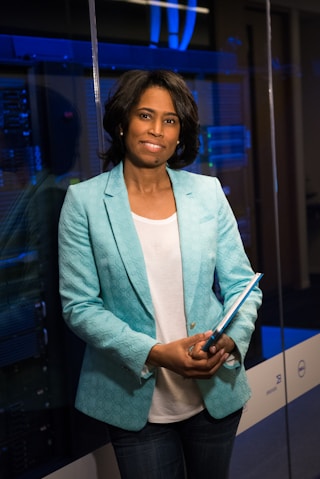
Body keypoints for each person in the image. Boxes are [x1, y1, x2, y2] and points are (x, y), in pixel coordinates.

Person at [58, 69, 263, 479]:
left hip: (214, 391)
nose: (157, 130)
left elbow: (243, 286)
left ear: (181, 132)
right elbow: (79, 306)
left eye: (170, 120)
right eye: (145, 115)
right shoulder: (84, 201)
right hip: (134, 400)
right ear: (121, 123)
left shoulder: (206, 193)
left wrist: (231, 342)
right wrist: (154, 353)